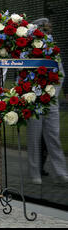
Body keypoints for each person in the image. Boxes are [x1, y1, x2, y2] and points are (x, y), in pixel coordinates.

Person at [26, 18, 68, 185]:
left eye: (49, 29)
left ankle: (61, 171)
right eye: (45, 28)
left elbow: (61, 74)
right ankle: (34, 172)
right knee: (34, 138)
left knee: (53, 137)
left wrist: (52, 92)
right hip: (34, 99)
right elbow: (25, 75)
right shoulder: (28, 50)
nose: (48, 31)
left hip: (50, 100)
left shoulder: (53, 51)